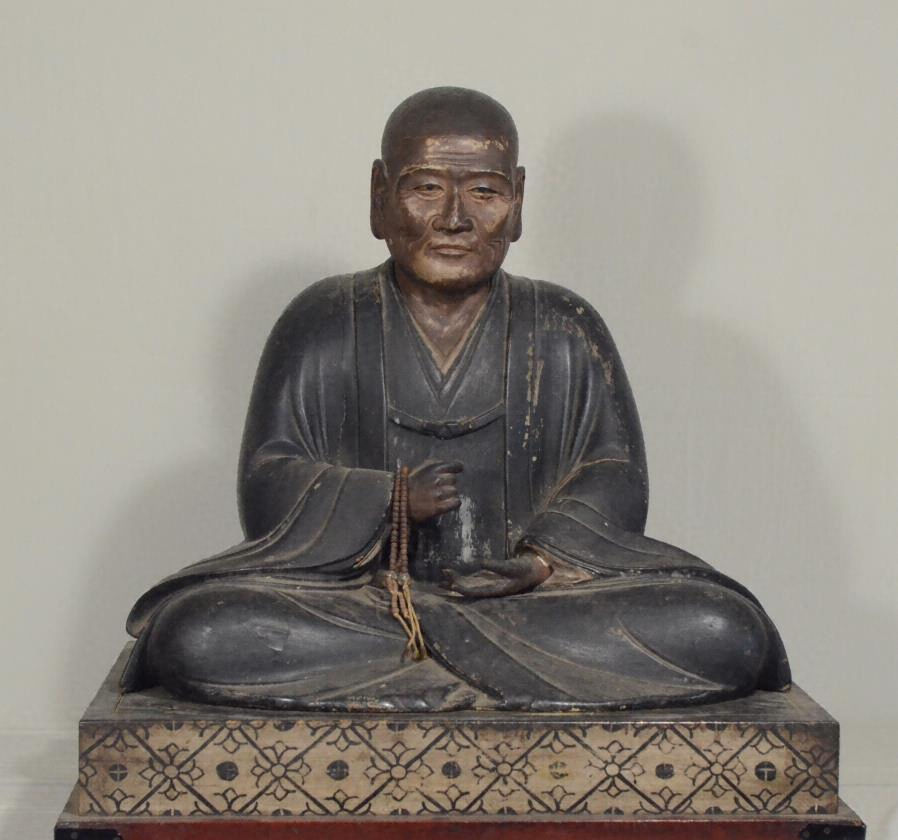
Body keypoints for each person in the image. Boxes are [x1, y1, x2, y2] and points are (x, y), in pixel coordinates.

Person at [121, 87, 790, 712]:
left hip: (531, 610)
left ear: (518, 202)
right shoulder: (324, 321)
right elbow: (269, 486)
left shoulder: (564, 327)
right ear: (380, 197)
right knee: (199, 633)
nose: (454, 219)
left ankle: (426, 671)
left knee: (723, 630)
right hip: (371, 604)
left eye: (484, 191)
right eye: (425, 188)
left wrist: (539, 561)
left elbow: (613, 478)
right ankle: (476, 671)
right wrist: (390, 500)